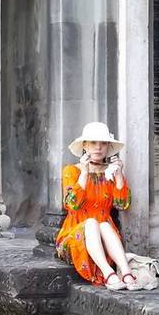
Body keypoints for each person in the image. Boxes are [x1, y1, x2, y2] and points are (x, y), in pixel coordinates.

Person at [55, 122, 139, 291]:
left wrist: (119, 176)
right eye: (93, 143)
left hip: (105, 237)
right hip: (75, 237)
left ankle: (126, 272)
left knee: (104, 225)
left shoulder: (110, 171)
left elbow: (121, 205)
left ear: (109, 147)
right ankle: (108, 273)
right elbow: (72, 205)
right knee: (92, 223)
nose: (98, 148)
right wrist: (84, 173)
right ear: (85, 145)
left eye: (103, 143)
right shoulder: (72, 171)